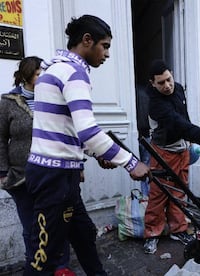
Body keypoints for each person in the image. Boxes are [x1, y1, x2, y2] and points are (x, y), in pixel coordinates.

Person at [24, 15, 150, 275]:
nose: (107, 54)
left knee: (83, 234)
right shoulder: (74, 72)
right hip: (55, 177)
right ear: (87, 40)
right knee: (44, 255)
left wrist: (96, 154)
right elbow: (88, 130)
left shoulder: (53, 69)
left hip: (59, 174)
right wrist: (129, 162)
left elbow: (67, 130)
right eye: (105, 46)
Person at [0, 57, 76, 276]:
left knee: (58, 223)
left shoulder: (55, 99)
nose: (43, 75)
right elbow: (0, 139)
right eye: (37, 72)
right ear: (26, 75)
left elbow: (69, 132)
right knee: (32, 227)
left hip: (54, 173)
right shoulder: (8, 102)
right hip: (21, 176)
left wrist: (77, 167)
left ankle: (61, 267)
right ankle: (35, 265)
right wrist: (3, 173)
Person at [143, 59, 200, 254]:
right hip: (163, 151)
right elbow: (176, 122)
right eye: (161, 83)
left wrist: (192, 139)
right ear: (152, 83)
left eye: (169, 79)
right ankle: (152, 233)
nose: (167, 86)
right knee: (159, 193)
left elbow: (183, 117)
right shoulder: (154, 103)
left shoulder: (177, 89)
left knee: (180, 190)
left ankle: (178, 229)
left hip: (182, 148)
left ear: (172, 74)